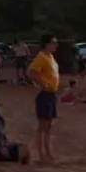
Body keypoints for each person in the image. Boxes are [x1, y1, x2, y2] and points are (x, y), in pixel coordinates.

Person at [27, 32, 60, 163]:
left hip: (51, 94)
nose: (56, 45)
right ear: (46, 44)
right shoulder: (41, 57)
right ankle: (41, 155)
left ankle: (48, 152)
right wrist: (42, 83)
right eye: (53, 42)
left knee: (48, 126)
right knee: (42, 126)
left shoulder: (50, 57)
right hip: (45, 95)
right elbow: (30, 72)